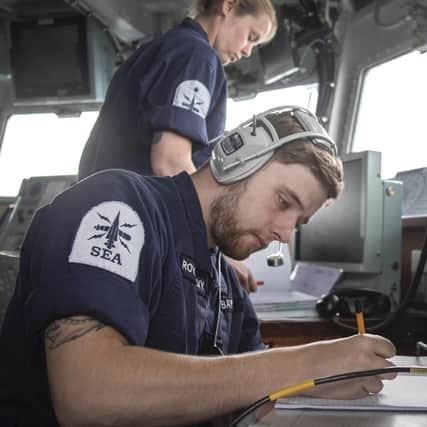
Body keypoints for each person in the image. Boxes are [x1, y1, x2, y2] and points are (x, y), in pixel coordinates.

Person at [0, 106, 397, 426]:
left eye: (299, 222)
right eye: (283, 202)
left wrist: (322, 383)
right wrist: (308, 361)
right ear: (239, 160)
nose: (284, 233)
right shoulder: (117, 206)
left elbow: (256, 397)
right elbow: (87, 394)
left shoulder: (227, 284)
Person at [77, 0, 278, 292]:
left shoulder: (159, 48)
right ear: (228, 5)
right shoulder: (196, 56)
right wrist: (210, 251)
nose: (247, 51)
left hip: (103, 222)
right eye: (251, 36)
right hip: (129, 232)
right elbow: (170, 161)